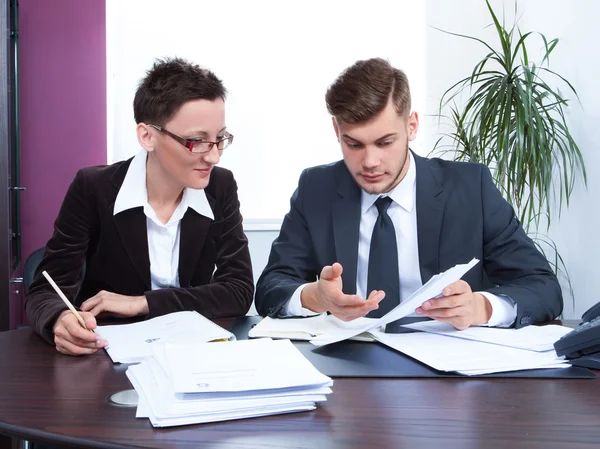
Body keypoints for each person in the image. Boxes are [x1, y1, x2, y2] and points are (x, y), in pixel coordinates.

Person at [255, 57, 562, 329]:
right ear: (337, 131)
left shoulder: (471, 188)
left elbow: (543, 286)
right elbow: (270, 287)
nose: (370, 162)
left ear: (411, 126)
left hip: (445, 372)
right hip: (348, 364)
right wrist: (315, 297)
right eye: (354, 144)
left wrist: (481, 307)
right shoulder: (316, 188)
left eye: (385, 142)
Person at [26, 57, 254, 355]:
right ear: (147, 136)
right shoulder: (93, 187)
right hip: (108, 354)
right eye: (197, 141)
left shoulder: (220, 186)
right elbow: (45, 290)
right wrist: (60, 318)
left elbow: (238, 291)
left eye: (220, 139)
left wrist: (143, 302)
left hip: (193, 353)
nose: (213, 156)